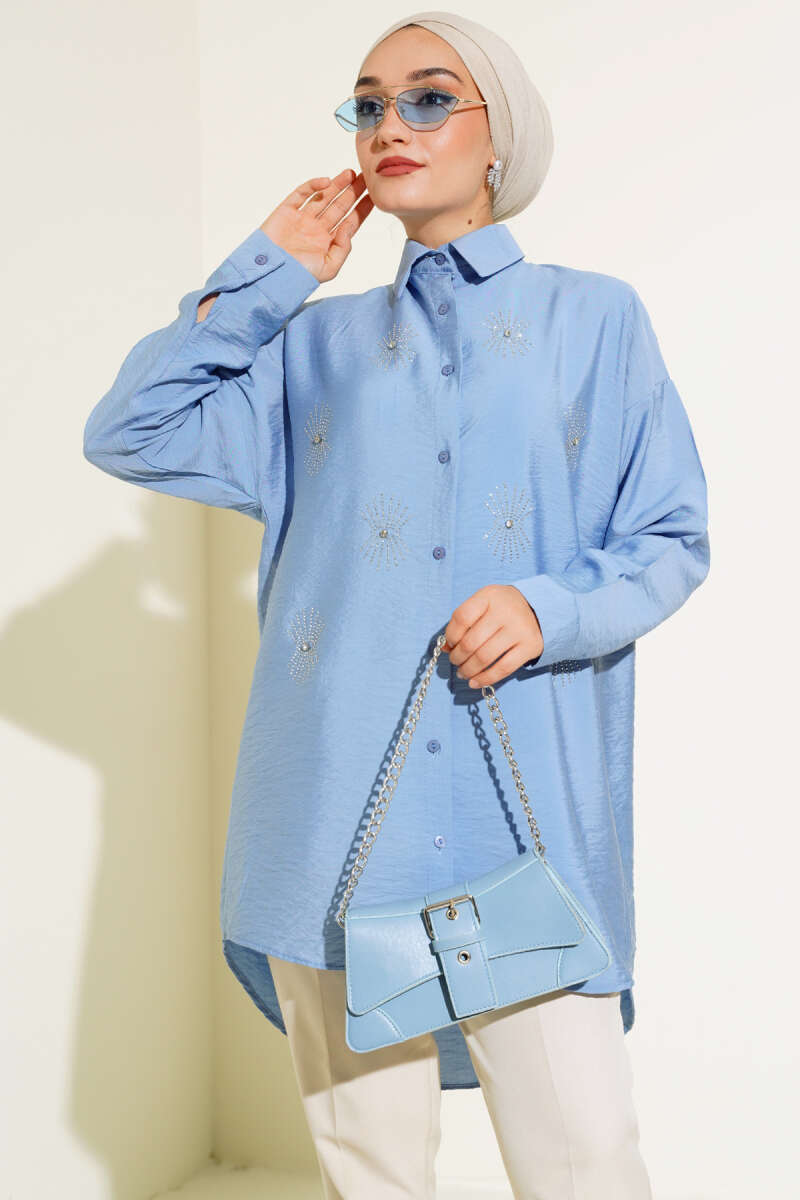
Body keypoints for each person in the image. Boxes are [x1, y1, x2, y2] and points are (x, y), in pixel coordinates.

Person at [83, 9, 710, 1199]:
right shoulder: (306, 348)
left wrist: (547, 609)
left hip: (517, 824)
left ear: (496, 135)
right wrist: (269, 271)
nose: (389, 125)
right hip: (333, 824)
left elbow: (669, 537)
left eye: (427, 98)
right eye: (367, 105)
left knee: (583, 1158)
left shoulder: (593, 321)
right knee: (369, 1169)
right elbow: (131, 431)